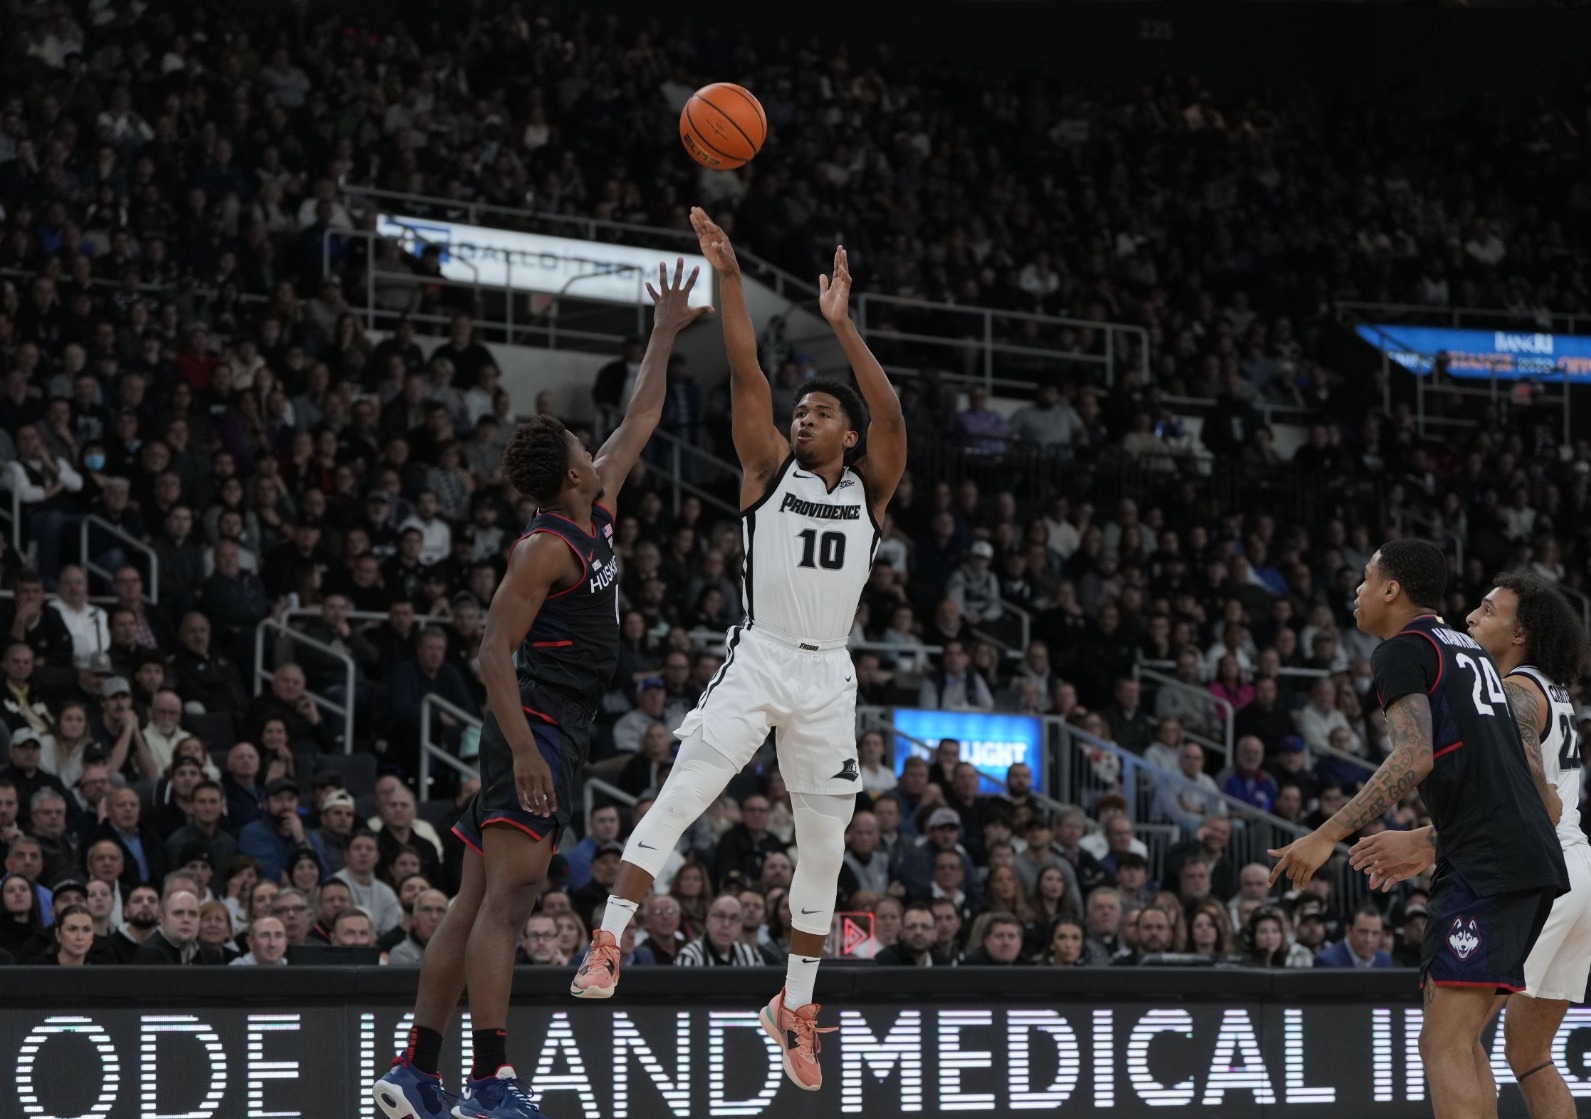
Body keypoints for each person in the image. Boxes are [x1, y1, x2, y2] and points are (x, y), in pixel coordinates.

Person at [573, 211, 906, 1097]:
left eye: (822, 411)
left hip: (827, 675)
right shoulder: (766, 468)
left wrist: (842, 324)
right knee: (682, 794)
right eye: (802, 410)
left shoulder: (873, 487)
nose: (804, 416)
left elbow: (894, 410)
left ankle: (792, 1006)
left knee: (827, 853)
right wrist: (726, 275)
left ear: (849, 434)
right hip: (758, 658)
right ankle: (609, 937)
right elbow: (750, 373)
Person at [371, 259, 705, 1119]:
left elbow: (640, 417)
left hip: (561, 725)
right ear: (567, 476)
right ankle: (489, 1080)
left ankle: (416, 1067)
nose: (591, 451)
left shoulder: (593, 510)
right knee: (508, 905)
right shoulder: (543, 546)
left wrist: (665, 331)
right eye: (575, 450)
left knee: (478, 898)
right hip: (538, 726)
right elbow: (489, 650)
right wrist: (524, 750)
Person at [1270, 540, 1567, 1119]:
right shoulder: (1473, 653)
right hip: (1524, 860)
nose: (1355, 591)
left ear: (1391, 590)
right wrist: (1442, 840)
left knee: (1444, 1042)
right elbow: (1537, 787)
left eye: (1365, 578)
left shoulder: (1404, 649)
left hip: (1489, 865)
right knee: (1462, 1039)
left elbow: (1414, 757)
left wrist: (1324, 834)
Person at [1351, 570, 1591, 1119]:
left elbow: (1536, 806)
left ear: (1521, 632)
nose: (1470, 618)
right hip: (1579, 872)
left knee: (1454, 1040)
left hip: (1537, 872)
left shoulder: (1512, 692)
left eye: (1487, 610)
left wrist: (1426, 838)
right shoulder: (1551, 688)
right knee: (1530, 1057)